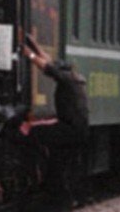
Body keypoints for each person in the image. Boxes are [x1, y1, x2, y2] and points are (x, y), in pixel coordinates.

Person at [23, 34, 89, 202]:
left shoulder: (66, 80)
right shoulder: (75, 80)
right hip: (78, 131)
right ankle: (63, 195)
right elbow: (50, 62)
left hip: (69, 130)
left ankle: (34, 171)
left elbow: (47, 67)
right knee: (59, 162)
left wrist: (28, 54)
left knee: (33, 134)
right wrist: (35, 44)